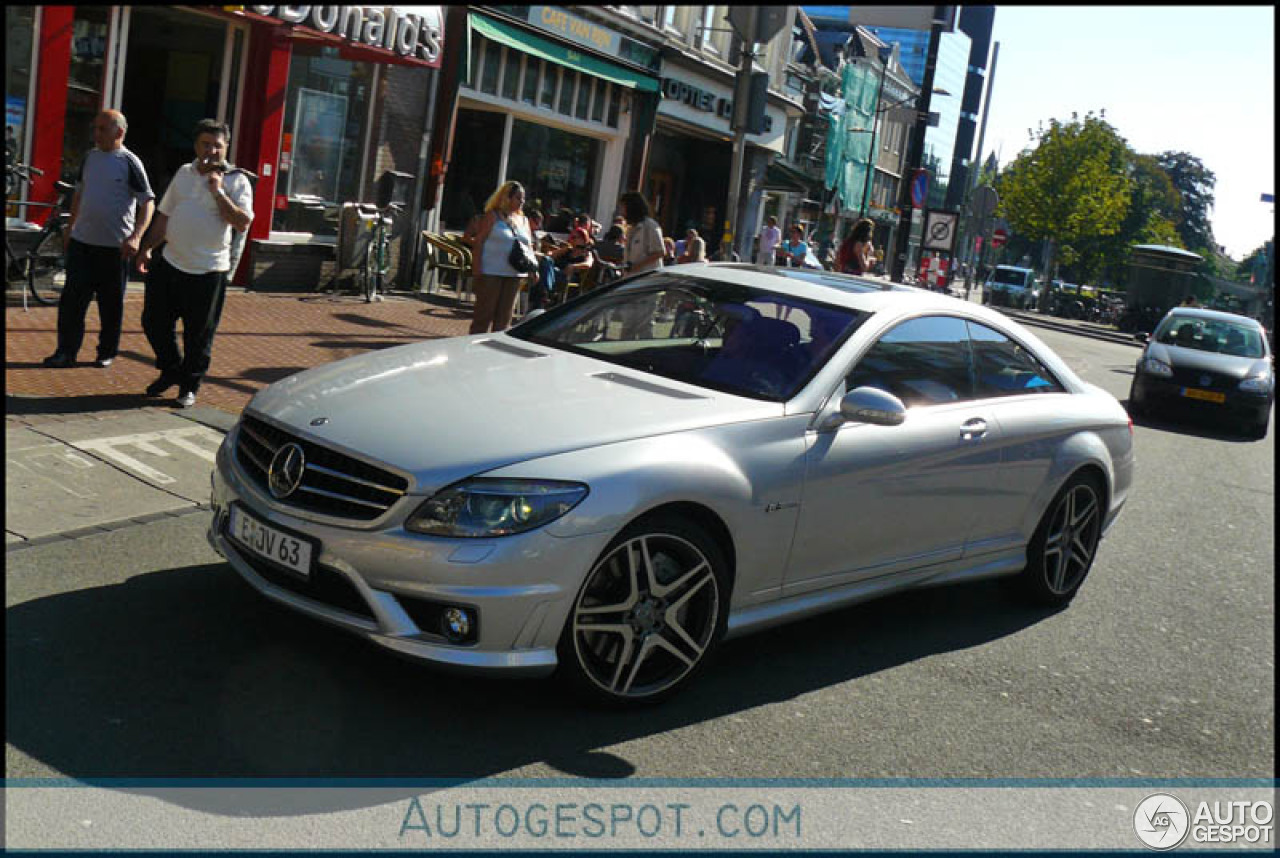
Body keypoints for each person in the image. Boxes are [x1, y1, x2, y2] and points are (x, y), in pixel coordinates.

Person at [137, 119, 252, 408]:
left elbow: (242, 222)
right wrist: (146, 248)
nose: (212, 150)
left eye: (218, 146)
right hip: (171, 262)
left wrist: (217, 191)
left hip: (208, 270)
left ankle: (189, 385)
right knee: (153, 321)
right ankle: (171, 369)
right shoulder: (184, 173)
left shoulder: (237, 180)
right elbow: (164, 215)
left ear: (226, 148)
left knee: (198, 335)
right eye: (206, 144)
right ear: (196, 145)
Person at [43, 110, 155, 369]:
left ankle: (106, 352)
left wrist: (136, 237)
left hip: (114, 249)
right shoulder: (89, 158)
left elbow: (147, 202)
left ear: (120, 132)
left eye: (103, 129)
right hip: (83, 243)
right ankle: (65, 352)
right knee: (72, 303)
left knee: (110, 306)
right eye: (95, 128)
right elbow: (80, 194)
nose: (96, 134)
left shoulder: (129, 162)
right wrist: (70, 229)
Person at [469, 179, 532, 333]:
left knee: (504, 318)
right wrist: (477, 269)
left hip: (515, 273)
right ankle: (473, 347)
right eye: (518, 197)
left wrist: (533, 268)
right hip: (491, 272)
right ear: (507, 197)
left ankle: (494, 350)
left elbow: (529, 246)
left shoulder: (523, 220)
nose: (521, 201)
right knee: (483, 315)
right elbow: (479, 242)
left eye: (523, 198)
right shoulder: (493, 216)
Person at [619, 191, 665, 339]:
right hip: (631, 282)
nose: (621, 211)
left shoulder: (650, 226)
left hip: (647, 283)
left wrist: (636, 266)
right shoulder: (632, 228)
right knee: (627, 324)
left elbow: (659, 251)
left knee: (644, 325)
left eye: (623, 207)